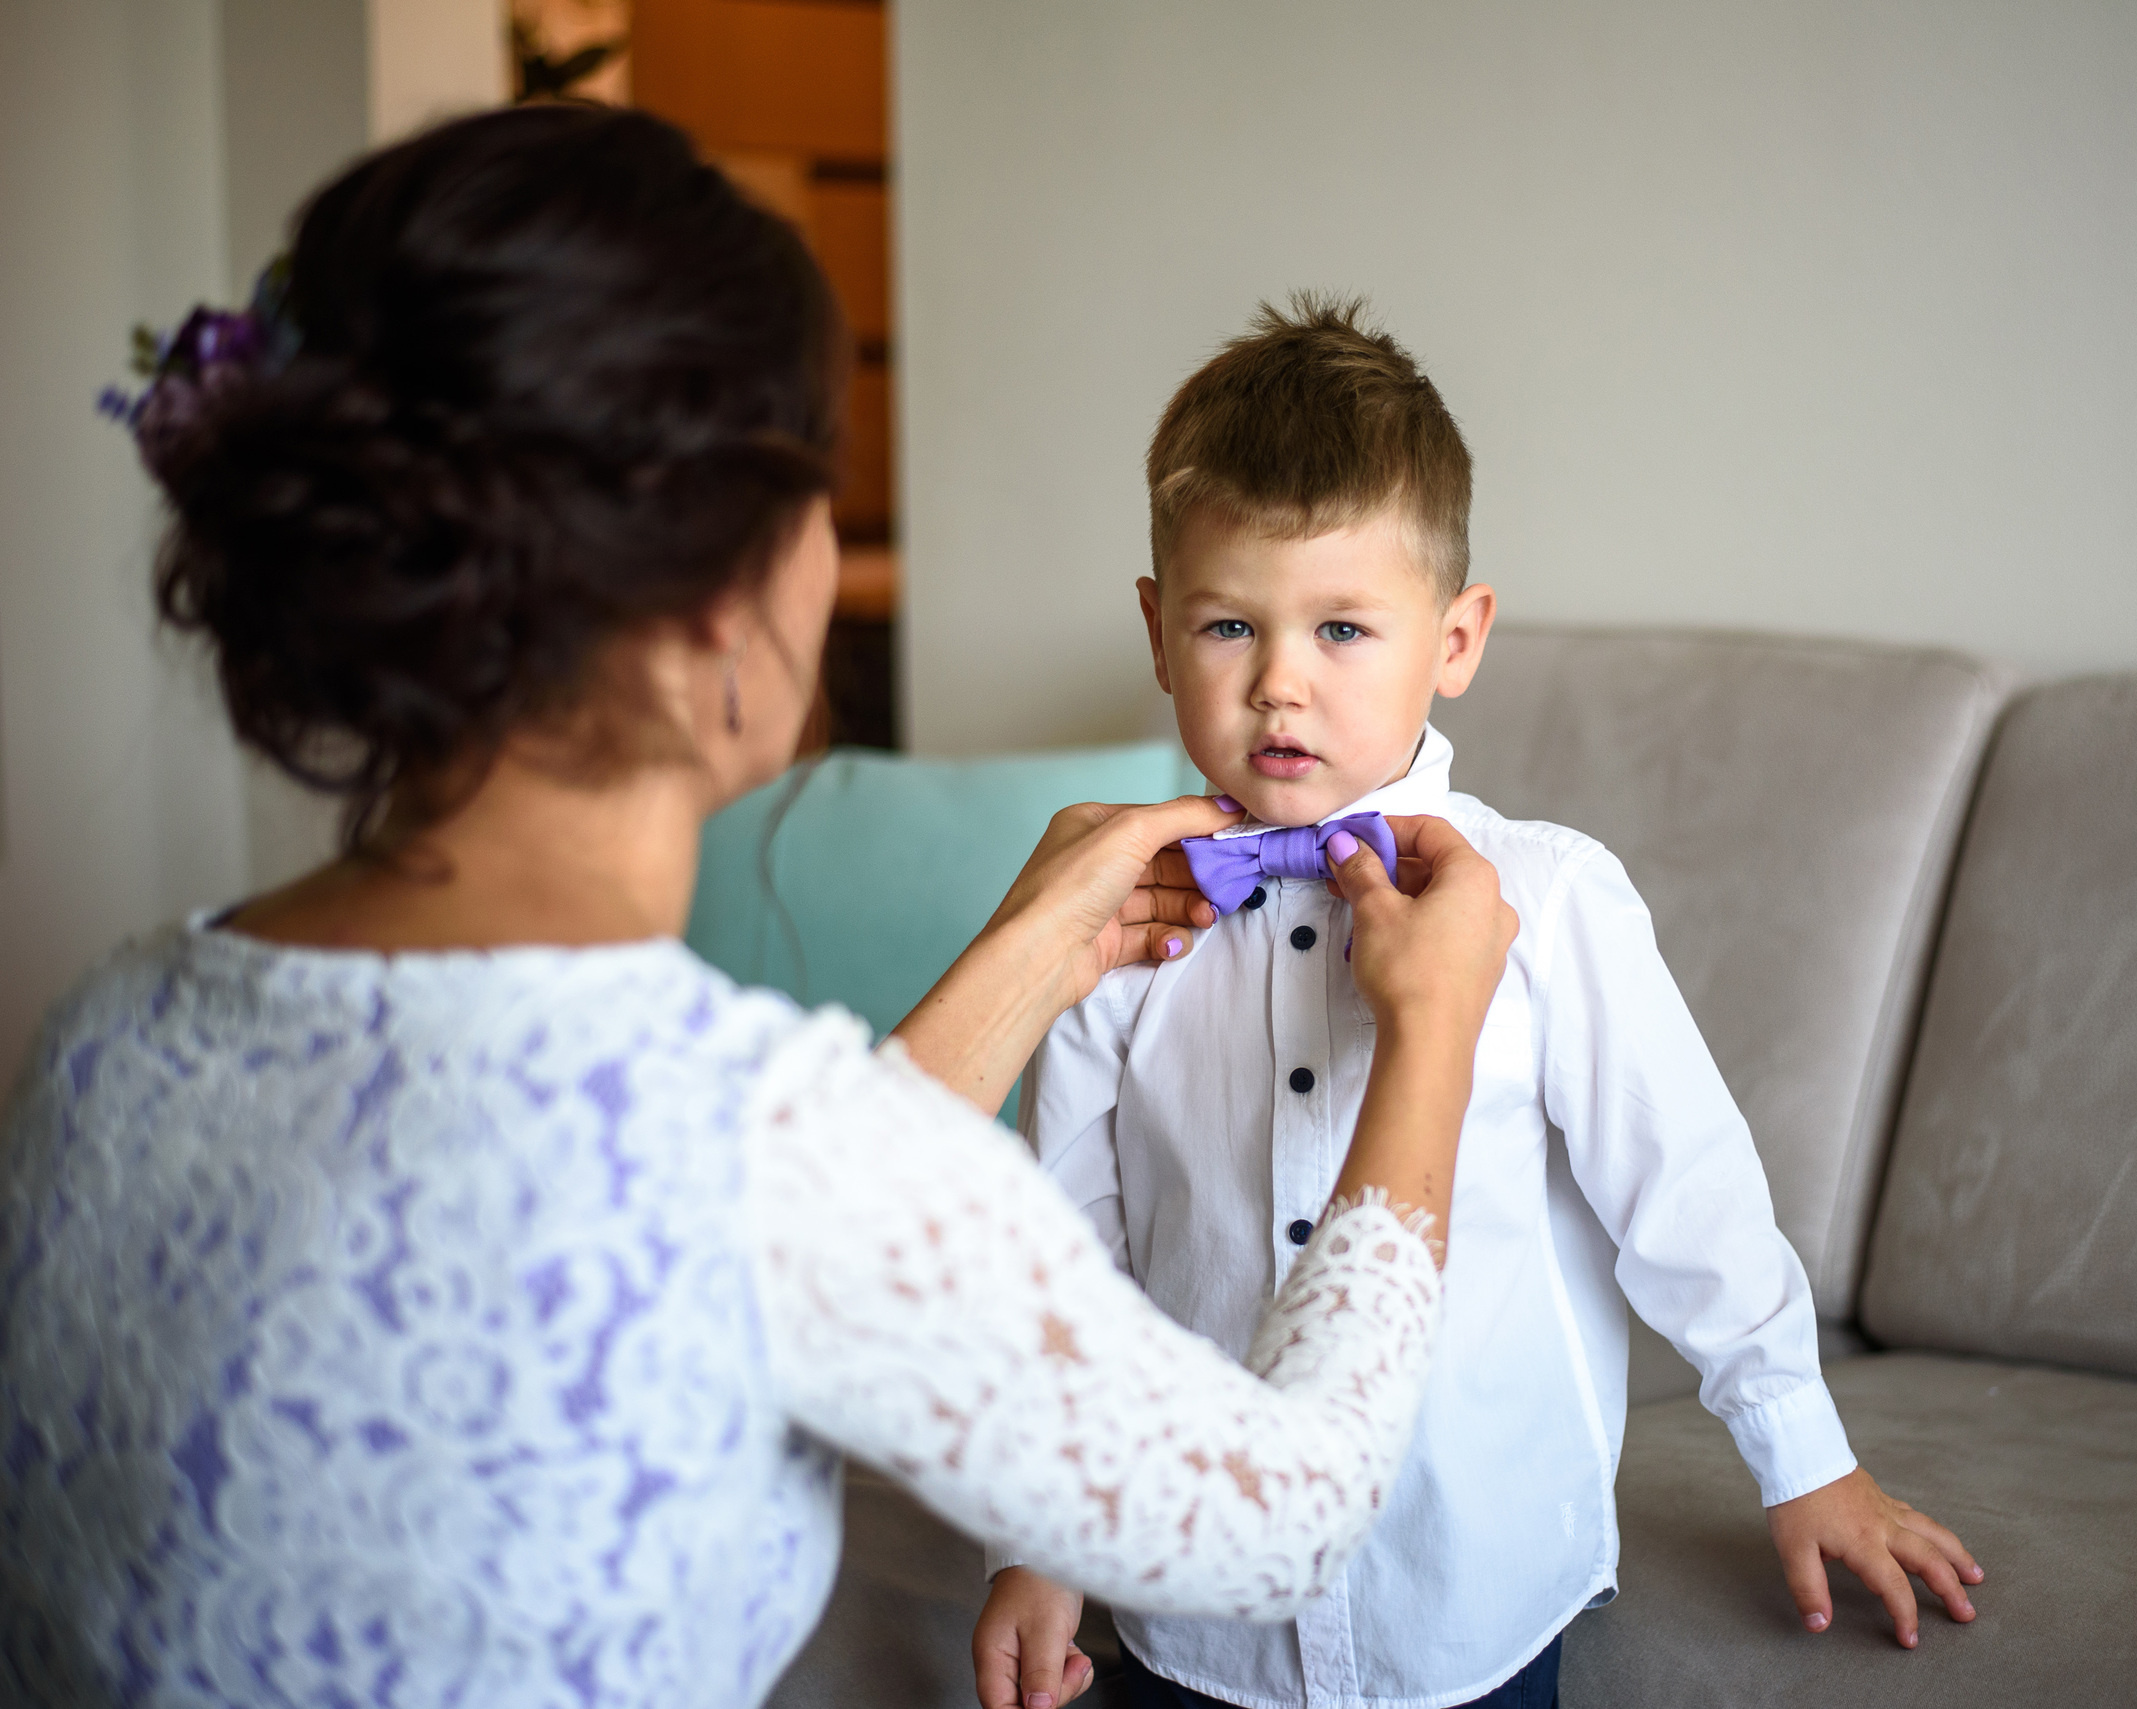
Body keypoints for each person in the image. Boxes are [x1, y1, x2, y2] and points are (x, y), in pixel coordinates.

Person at [0, 111, 1521, 1709]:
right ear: (727, 597)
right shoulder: (750, 1141)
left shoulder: (104, 1035)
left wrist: (1031, 953)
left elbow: (742, 1225)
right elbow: (1282, 1521)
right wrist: (1429, 1041)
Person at [972, 298, 1987, 1709]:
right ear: (1155, 629)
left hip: (1463, 1593)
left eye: (1340, 626)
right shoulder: (1124, 920)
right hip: (1188, 1604)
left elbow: (1683, 1188)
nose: (1280, 681)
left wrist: (1804, 1454)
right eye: (1228, 624)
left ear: (1456, 637)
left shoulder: (1554, 903)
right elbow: (1065, 1249)